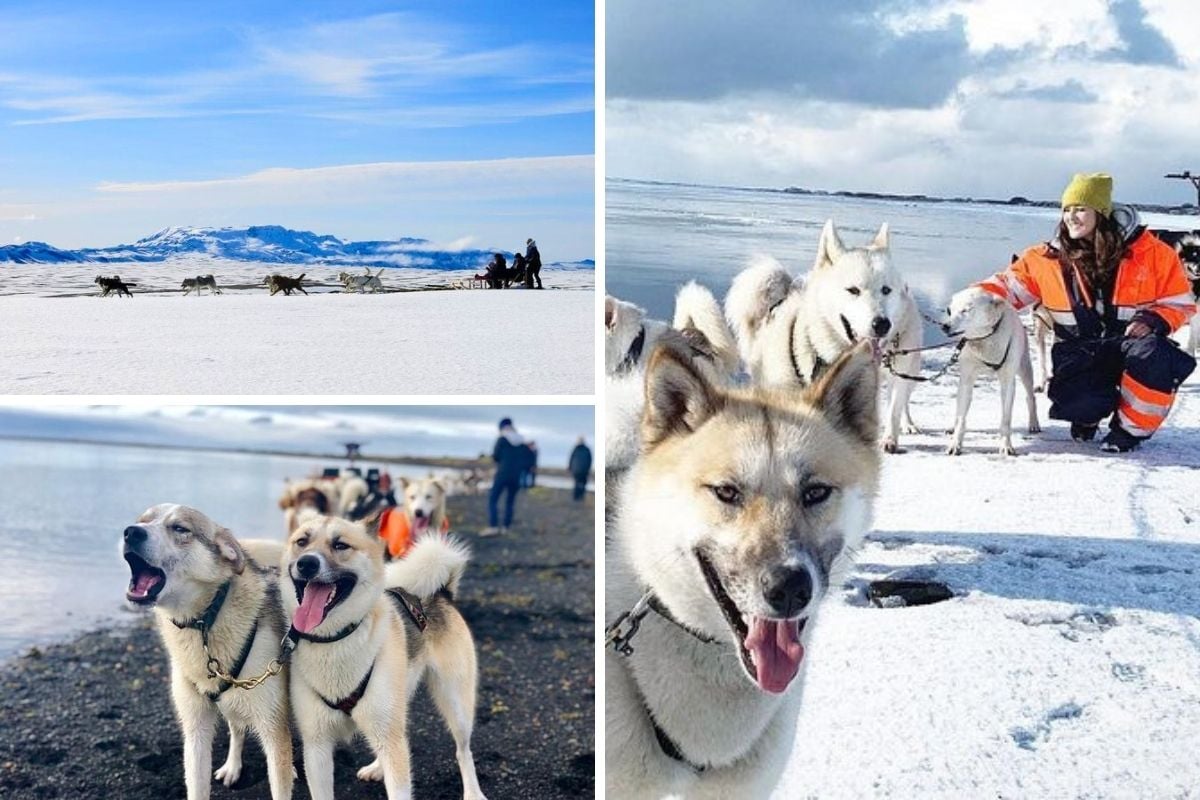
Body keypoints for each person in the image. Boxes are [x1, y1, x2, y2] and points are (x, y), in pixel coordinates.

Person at [972, 173, 1196, 452]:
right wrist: (970, 304)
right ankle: (1088, 417)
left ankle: (1128, 431)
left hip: (1132, 348)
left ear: (1101, 213)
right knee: (1078, 403)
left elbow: (1180, 302)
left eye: (1080, 209)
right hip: (1081, 352)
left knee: (1155, 355)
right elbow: (1005, 288)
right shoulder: (1046, 259)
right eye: (1066, 209)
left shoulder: (1153, 253)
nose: (1071, 216)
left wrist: (1153, 319)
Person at [482, 418, 532, 535]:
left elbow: (496, 456)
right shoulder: (521, 442)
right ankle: (506, 527)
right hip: (516, 476)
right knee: (510, 502)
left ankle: (493, 526)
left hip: (502, 474)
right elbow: (528, 460)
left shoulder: (502, 439)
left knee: (493, 499)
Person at [568, 436, 592, 501]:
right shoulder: (586, 449)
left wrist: (570, 468)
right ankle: (580, 496)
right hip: (583, 470)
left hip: (577, 470)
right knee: (582, 484)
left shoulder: (576, 449)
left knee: (577, 483)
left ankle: (576, 497)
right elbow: (589, 461)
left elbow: (571, 459)